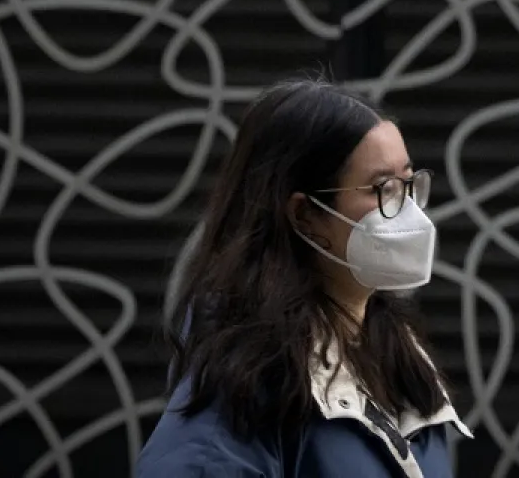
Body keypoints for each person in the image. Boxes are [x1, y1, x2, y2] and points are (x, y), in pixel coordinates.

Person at [135, 76, 471, 477]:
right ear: (306, 216)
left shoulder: (399, 357)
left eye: (410, 183)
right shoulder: (248, 379)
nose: (409, 210)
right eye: (383, 188)